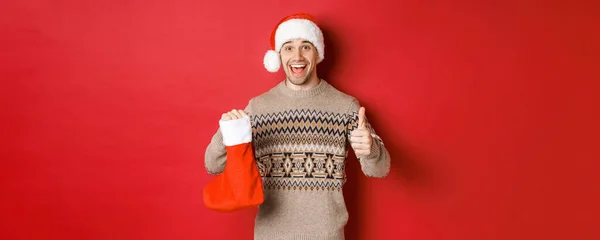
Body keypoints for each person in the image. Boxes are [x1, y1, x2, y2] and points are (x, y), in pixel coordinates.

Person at [204, 13, 391, 240]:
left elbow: (379, 169)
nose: (297, 56)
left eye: (306, 47)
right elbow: (212, 165)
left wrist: (370, 148)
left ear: (317, 53)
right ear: (279, 55)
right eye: (289, 48)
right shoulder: (259, 107)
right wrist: (226, 132)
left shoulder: (345, 106)